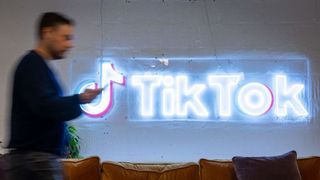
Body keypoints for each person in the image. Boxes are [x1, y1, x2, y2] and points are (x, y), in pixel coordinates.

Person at [2, 12, 102, 180]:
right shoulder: (32, 64)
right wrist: (79, 99)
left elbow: (52, 109)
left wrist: (80, 100)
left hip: (36, 160)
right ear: (47, 33)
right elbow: (45, 106)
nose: (69, 44)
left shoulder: (39, 66)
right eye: (65, 37)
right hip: (35, 161)